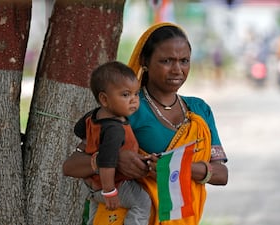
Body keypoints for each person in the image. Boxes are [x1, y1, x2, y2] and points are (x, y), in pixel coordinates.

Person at [63, 22, 228, 225]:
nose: (177, 69)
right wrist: (112, 159)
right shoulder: (126, 107)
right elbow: (71, 165)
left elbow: (221, 175)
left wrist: (176, 168)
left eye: (184, 61)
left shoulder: (200, 110)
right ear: (145, 61)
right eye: (166, 61)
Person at [73, 61, 151, 225]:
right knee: (142, 202)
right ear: (104, 99)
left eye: (136, 94)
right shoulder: (115, 129)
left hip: (91, 184)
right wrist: (110, 191)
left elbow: (78, 130)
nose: (133, 100)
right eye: (125, 95)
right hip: (110, 183)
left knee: (94, 218)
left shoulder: (94, 115)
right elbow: (107, 162)